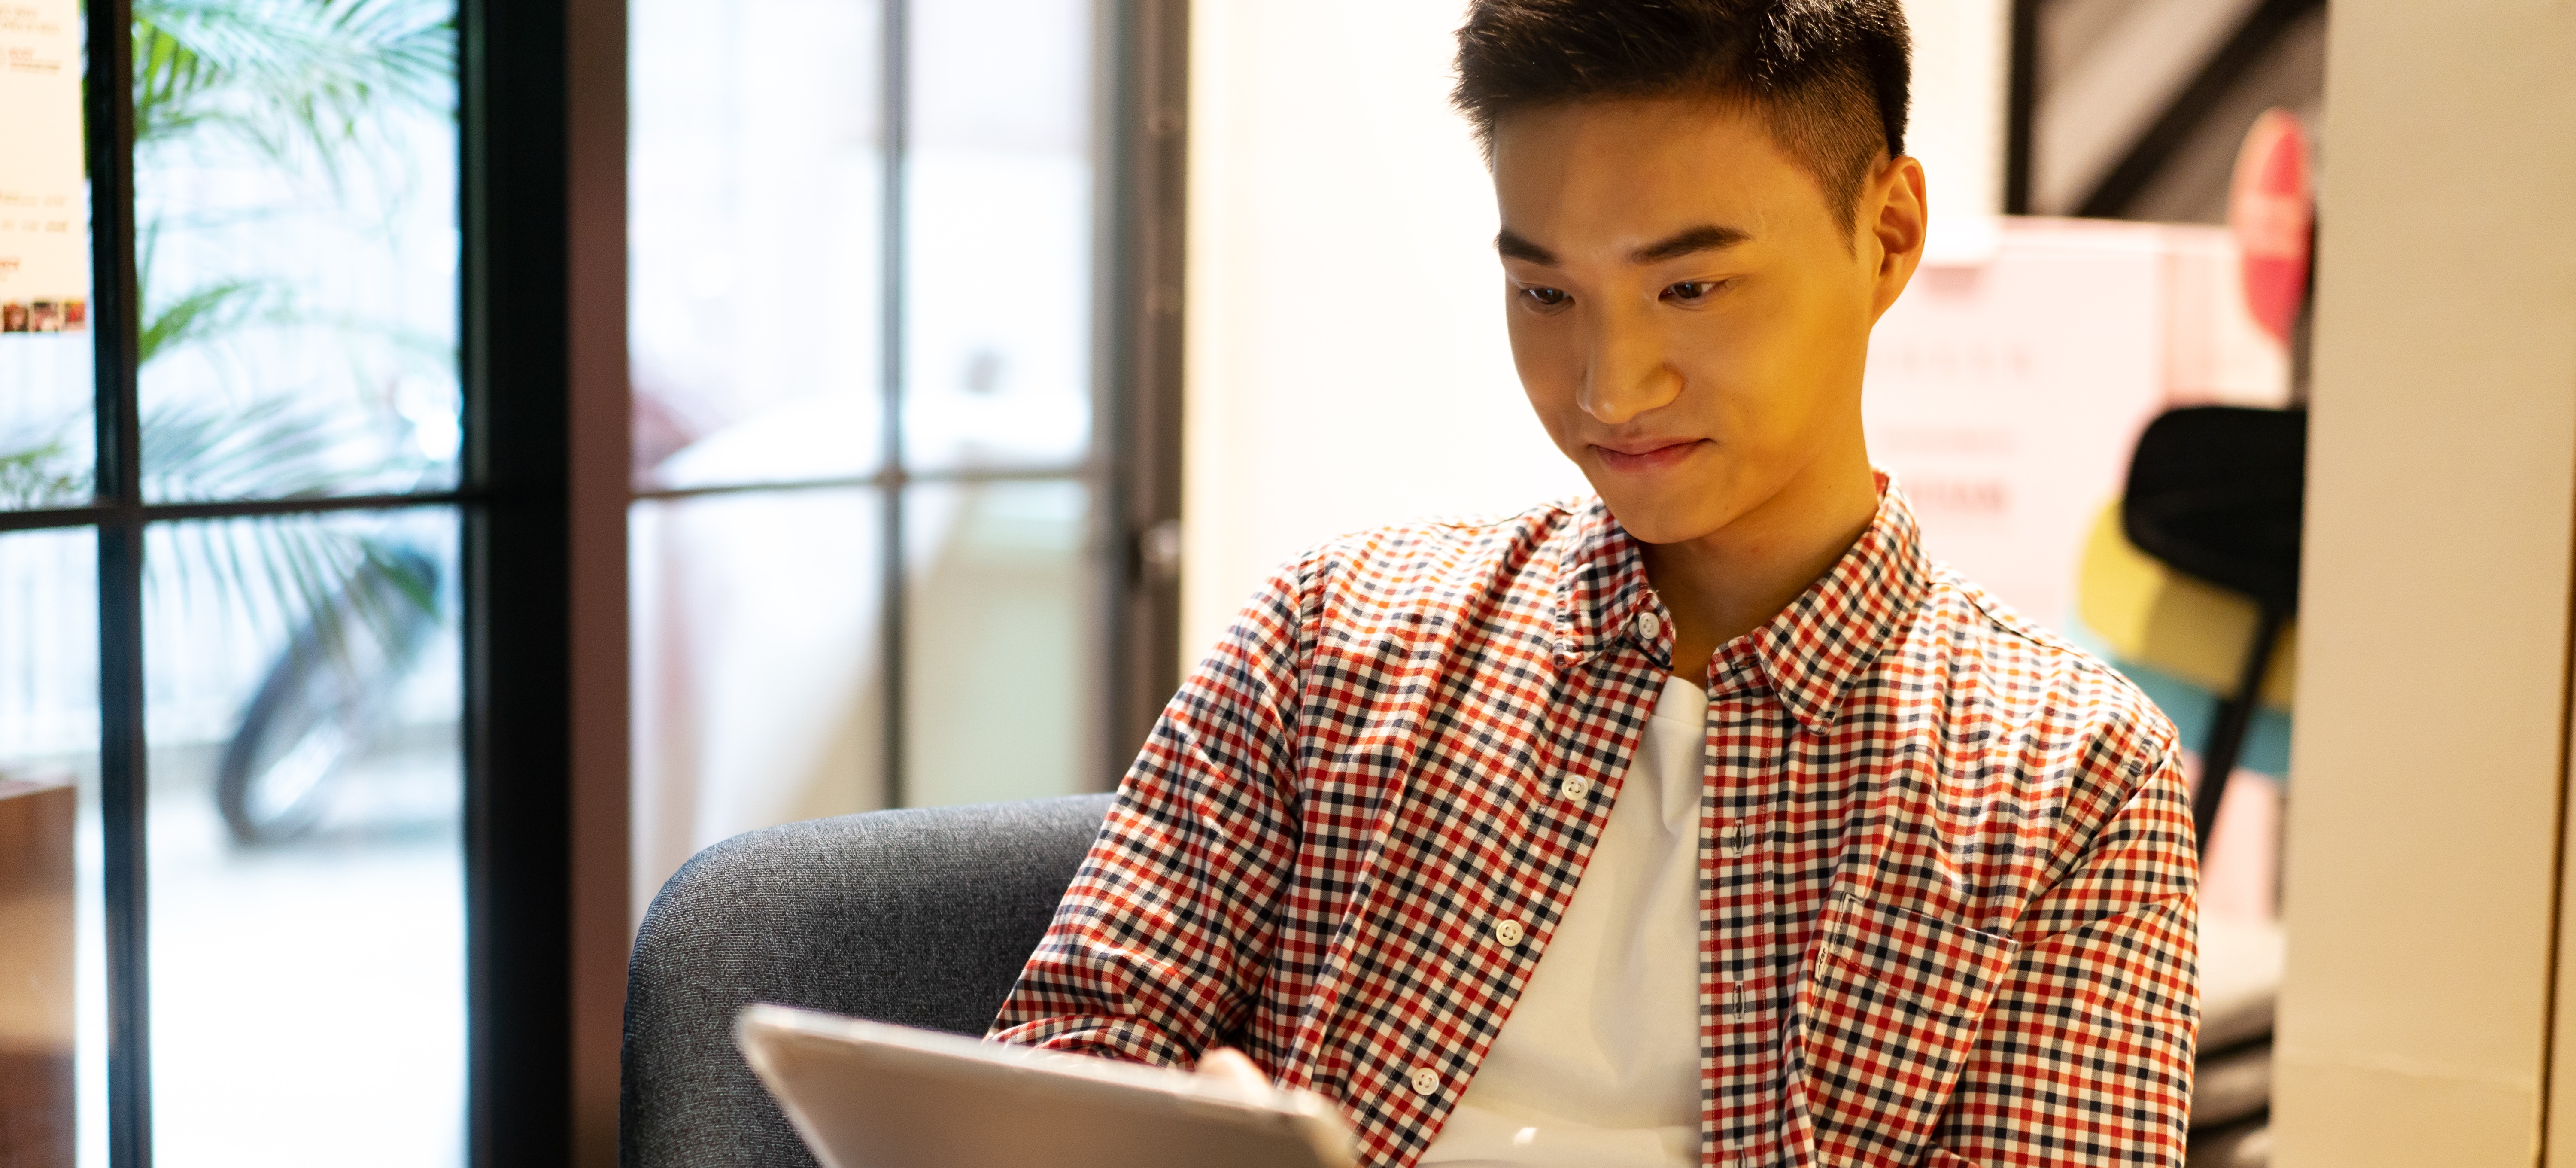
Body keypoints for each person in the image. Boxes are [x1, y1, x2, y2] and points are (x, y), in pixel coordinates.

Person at [989, 2, 2198, 1165]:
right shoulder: (1328, 640)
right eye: (1547, 294)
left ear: (1885, 235)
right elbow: (1050, 1067)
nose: (1609, 390)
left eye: (1689, 288)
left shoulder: (2074, 781)